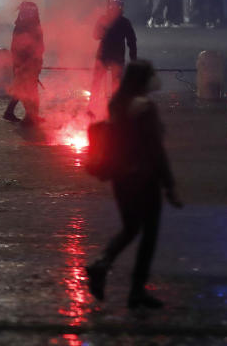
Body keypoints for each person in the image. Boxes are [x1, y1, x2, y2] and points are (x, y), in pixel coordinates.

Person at [85, 60, 181, 309]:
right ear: (143, 80)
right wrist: (169, 185)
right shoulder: (144, 108)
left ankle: (101, 265)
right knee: (149, 234)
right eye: (151, 75)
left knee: (130, 228)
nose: (155, 80)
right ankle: (137, 290)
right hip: (144, 179)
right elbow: (155, 150)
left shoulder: (117, 103)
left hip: (121, 178)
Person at [89, 0, 137, 117]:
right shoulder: (117, 21)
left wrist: (133, 58)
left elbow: (131, 41)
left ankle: (112, 109)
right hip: (106, 56)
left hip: (112, 57)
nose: (115, 8)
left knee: (112, 84)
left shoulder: (123, 22)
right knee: (99, 83)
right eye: (113, 5)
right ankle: (95, 108)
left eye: (117, 5)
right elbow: (95, 35)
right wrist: (133, 58)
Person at [4, 1, 44, 126]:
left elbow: (39, 44)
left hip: (32, 62)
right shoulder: (22, 26)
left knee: (22, 88)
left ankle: (14, 113)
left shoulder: (32, 25)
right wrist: (20, 65)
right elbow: (16, 47)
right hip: (24, 63)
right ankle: (31, 117)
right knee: (28, 90)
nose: (32, 13)